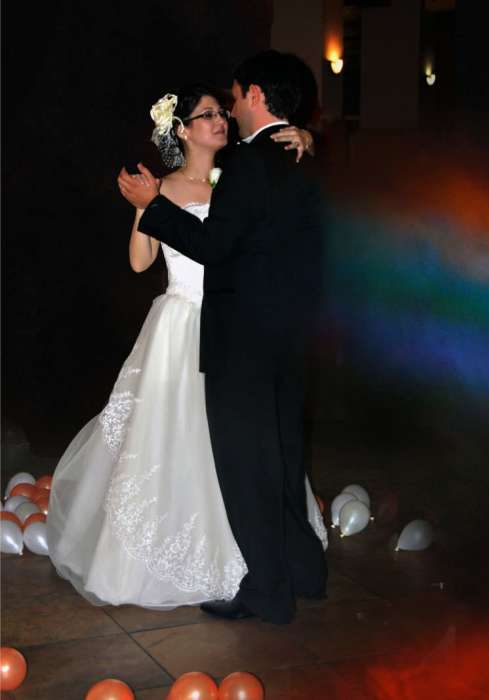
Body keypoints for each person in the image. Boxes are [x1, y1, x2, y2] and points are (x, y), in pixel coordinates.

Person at [48, 84, 328, 611]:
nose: (220, 119)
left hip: (239, 328)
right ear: (181, 130)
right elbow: (139, 262)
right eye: (207, 115)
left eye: (223, 111)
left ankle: (257, 557)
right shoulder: (165, 187)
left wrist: (304, 140)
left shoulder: (240, 175)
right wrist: (144, 207)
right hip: (181, 327)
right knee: (178, 441)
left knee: (245, 445)